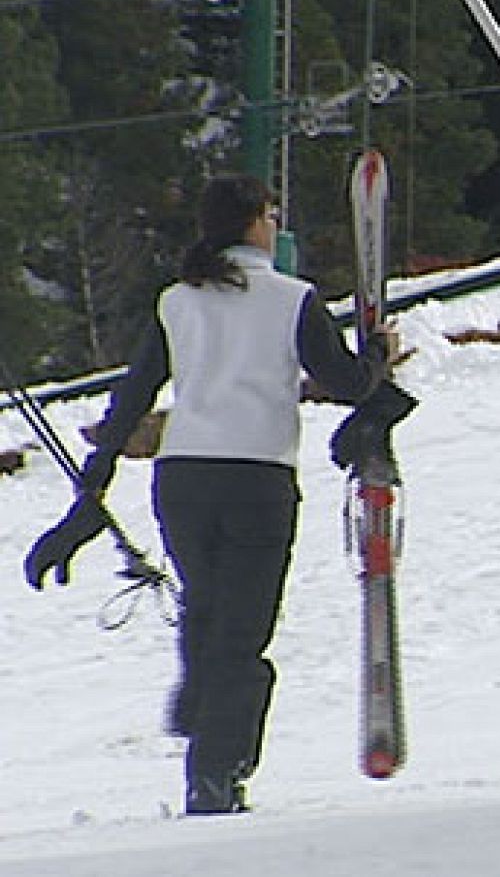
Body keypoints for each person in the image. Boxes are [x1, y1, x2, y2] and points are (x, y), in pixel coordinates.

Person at [24, 174, 395, 814]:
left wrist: (95, 484)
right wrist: (378, 359)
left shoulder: (178, 301)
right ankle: (216, 774)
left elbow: (134, 393)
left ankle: (202, 713)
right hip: (257, 478)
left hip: (183, 479)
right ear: (254, 223)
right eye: (272, 216)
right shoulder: (291, 298)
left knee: (208, 608)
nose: (275, 227)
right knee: (241, 635)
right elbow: (345, 383)